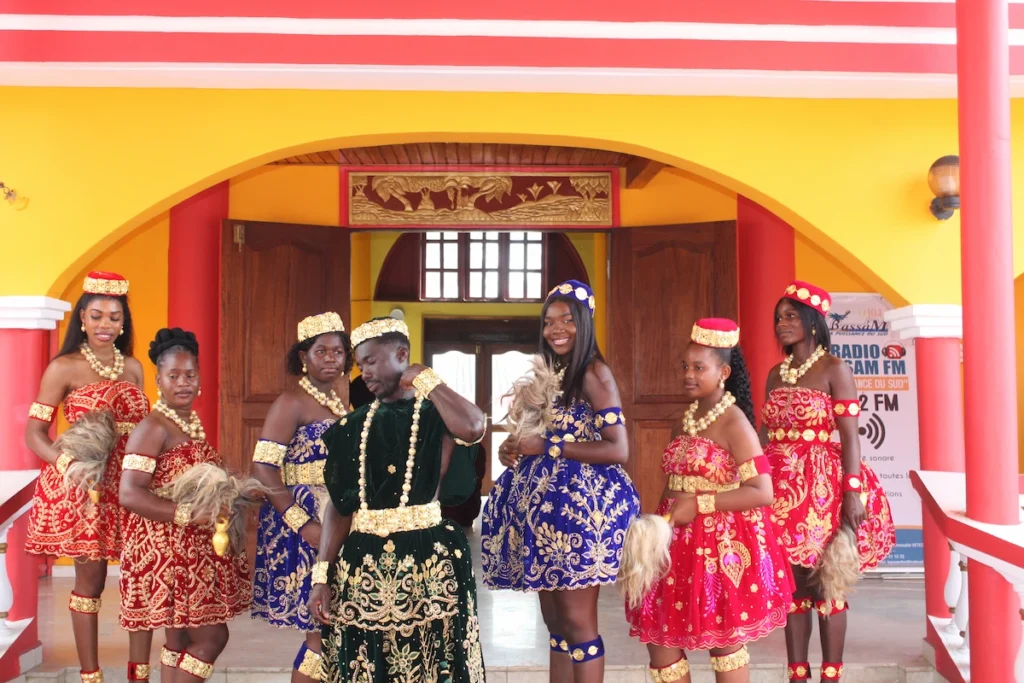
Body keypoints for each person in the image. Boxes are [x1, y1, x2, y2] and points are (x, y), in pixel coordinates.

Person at [307, 317, 487, 682]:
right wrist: (321, 576)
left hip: (430, 563)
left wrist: (427, 379)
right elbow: (339, 508)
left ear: (401, 354)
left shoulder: (437, 415)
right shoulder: (349, 428)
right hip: (364, 566)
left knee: (431, 664)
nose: (364, 372)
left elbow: (474, 426)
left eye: (371, 361)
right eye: (359, 364)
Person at [481, 280, 640, 683]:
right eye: (549, 321)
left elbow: (618, 449)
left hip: (581, 516)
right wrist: (511, 451)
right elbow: (530, 439)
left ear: (584, 323)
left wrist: (549, 446)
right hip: (545, 520)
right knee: (555, 624)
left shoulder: (593, 373)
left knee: (578, 623)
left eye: (567, 320)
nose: (557, 329)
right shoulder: (549, 373)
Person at [621, 318, 794, 683]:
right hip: (673, 541)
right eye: (685, 366)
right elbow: (672, 485)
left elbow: (762, 490)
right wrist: (651, 532)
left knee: (723, 643)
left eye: (699, 367)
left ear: (723, 372)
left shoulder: (734, 422)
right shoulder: (685, 419)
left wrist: (699, 504)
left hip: (719, 545)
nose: (688, 374)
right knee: (661, 642)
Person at [762, 281, 895, 682]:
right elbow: (766, 434)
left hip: (821, 487)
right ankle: (797, 674)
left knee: (828, 586)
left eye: (790, 316)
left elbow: (851, 435)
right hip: (780, 489)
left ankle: (831, 675)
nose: (782, 324)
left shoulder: (835, 368)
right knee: (794, 588)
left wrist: (851, 493)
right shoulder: (774, 373)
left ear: (812, 322)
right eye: (778, 318)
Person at [24, 271, 149, 683]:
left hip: (130, 486)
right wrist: (68, 466)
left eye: (114, 317)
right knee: (90, 579)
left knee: (140, 576)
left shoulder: (132, 367)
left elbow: (143, 430)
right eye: (96, 316)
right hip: (84, 489)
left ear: (123, 322)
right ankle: (90, 675)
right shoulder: (64, 367)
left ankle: (139, 674)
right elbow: (34, 434)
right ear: (82, 318)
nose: (105, 325)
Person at [119, 328, 252, 683]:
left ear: (200, 378)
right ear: (158, 380)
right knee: (212, 638)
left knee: (179, 639)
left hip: (190, 552)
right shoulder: (152, 427)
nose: (183, 383)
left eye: (190, 374)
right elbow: (130, 493)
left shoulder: (189, 424)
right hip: (166, 554)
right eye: (173, 376)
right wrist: (189, 514)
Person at [251, 312, 352, 682]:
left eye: (338, 352)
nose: (330, 359)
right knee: (320, 631)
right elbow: (262, 469)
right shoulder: (290, 402)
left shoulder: (342, 401)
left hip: (337, 520)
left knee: (332, 628)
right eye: (321, 351)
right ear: (303, 357)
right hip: (306, 523)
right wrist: (302, 524)